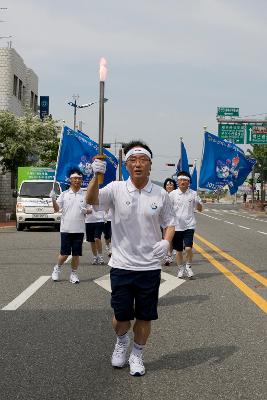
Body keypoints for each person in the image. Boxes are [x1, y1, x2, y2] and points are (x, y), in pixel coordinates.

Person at [86, 140, 175, 377]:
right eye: (133, 161)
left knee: (145, 317)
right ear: (126, 165)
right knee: (120, 318)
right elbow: (92, 200)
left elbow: (170, 222)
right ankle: (122, 341)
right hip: (121, 265)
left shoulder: (160, 194)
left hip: (149, 267)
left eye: (143, 160)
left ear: (150, 165)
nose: (138, 164)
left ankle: (137, 353)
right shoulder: (115, 188)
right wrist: (96, 176)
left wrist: (167, 241)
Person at [50, 169, 87, 284]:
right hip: (66, 229)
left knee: (76, 254)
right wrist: (53, 199)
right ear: (70, 180)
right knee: (64, 254)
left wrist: (87, 210)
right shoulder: (64, 194)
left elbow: (91, 209)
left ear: (81, 180)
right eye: (75, 178)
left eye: (79, 178)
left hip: (79, 229)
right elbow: (56, 209)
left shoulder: (85, 194)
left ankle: (74, 274)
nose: (77, 180)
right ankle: (57, 269)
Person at [169, 171, 203, 279]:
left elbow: (200, 209)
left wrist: (198, 203)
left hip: (189, 225)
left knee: (188, 248)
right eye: (181, 180)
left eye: (185, 180)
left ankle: (188, 266)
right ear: (178, 181)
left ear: (189, 182)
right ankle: (180, 268)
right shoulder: (172, 194)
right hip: (177, 226)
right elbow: (167, 209)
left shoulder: (193, 194)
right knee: (178, 250)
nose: (183, 182)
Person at [163, 178, 177, 265]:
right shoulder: (162, 194)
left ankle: (169, 255)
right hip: (163, 219)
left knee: (170, 238)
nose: (169, 186)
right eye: (167, 185)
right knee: (165, 237)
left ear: (174, 186)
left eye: (171, 185)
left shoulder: (176, 194)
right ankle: (168, 253)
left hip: (174, 219)